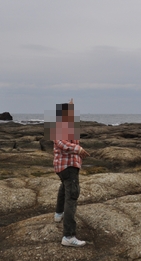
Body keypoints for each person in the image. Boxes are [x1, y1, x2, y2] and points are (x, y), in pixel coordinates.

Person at [53, 98, 90, 247]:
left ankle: (58, 214)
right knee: (72, 196)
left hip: (65, 167)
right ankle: (68, 236)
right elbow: (61, 143)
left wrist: (79, 154)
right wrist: (78, 150)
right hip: (67, 167)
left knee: (64, 188)